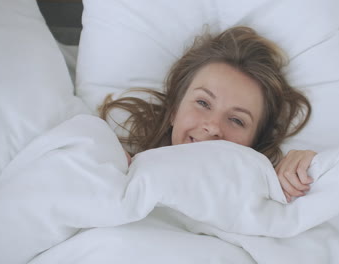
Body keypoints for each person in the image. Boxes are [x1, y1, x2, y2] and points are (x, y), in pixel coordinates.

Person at [99, 26, 316, 202]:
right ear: (174, 110)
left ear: (254, 143)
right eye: (203, 102)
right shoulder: (113, 167)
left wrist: (311, 167)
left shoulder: (265, 194)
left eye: (237, 120)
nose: (213, 126)